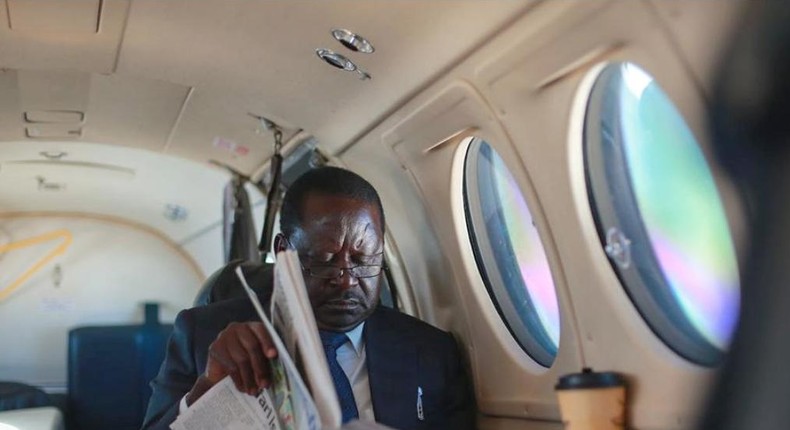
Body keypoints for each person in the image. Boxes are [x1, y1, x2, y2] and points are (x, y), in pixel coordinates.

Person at [142, 167, 475, 430]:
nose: (346, 280)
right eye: (326, 261)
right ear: (284, 251)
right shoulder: (203, 334)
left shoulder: (430, 352)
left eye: (363, 260)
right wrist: (208, 388)